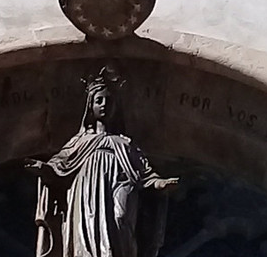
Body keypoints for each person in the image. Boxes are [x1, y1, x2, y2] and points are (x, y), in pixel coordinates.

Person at [27, 68, 178, 257]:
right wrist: (44, 169)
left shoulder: (125, 143)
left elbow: (145, 173)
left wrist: (159, 183)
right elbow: (60, 165)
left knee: (120, 218)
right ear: (90, 106)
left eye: (109, 101)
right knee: (87, 224)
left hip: (120, 182)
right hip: (87, 189)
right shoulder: (79, 141)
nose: (104, 104)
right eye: (99, 100)